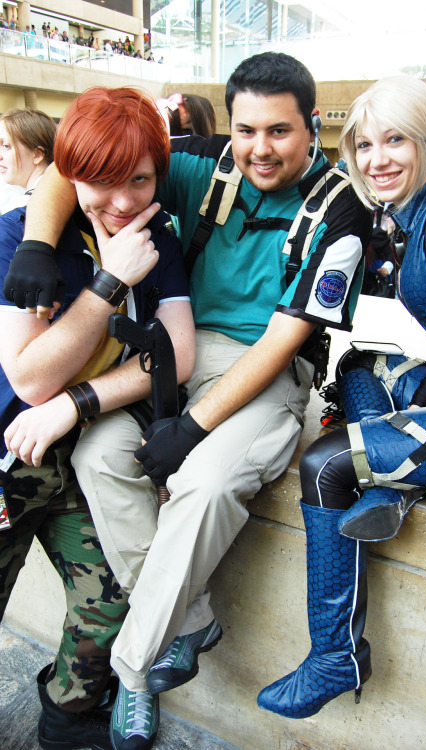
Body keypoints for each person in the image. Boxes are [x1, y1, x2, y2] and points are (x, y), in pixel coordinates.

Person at [3, 52, 372, 750]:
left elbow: (282, 339)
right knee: (100, 450)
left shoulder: (341, 207)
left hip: (263, 367)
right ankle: (189, 617)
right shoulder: (201, 160)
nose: (259, 148)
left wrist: (194, 426)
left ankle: (132, 671)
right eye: (246, 129)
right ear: (228, 125)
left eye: (279, 131)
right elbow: (73, 167)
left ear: (310, 125)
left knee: (203, 484)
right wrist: (39, 243)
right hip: (168, 356)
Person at [256, 75, 426, 720]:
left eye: (395, 140)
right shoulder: (424, 210)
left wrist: (405, 425)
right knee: (359, 367)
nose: (376, 159)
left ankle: (337, 655)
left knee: (327, 463)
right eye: (364, 145)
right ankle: (394, 477)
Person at [0, 89, 195, 750]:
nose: (121, 202)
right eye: (102, 183)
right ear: (70, 173)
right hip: (10, 457)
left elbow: (175, 357)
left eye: (138, 180)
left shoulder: (152, 236)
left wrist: (75, 405)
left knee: (107, 599)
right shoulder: (22, 236)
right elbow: (29, 378)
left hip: (79, 452)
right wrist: (107, 283)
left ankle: (69, 721)